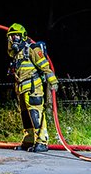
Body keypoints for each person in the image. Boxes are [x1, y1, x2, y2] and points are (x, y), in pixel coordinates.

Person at [6, 22, 58, 152]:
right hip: (22, 90)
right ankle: (28, 140)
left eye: (16, 36)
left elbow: (45, 67)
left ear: (22, 36)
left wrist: (53, 82)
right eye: (12, 37)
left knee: (36, 114)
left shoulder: (32, 49)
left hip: (34, 88)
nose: (14, 39)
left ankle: (42, 142)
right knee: (25, 116)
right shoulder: (16, 54)